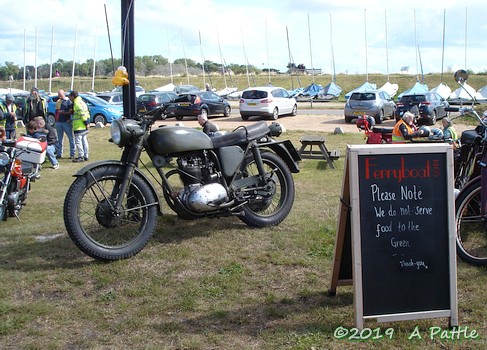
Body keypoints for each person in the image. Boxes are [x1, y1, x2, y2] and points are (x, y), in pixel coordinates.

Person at [69, 91, 90, 162]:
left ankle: (81, 156)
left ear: (72, 96)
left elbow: (82, 114)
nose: (69, 98)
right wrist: (87, 122)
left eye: (70, 96)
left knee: (78, 142)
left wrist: (85, 122)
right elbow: (87, 112)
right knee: (84, 141)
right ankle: (86, 155)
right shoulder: (82, 102)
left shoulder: (77, 103)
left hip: (79, 125)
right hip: (84, 126)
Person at [55, 89, 75, 159]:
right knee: (59, 139)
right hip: (59, 122)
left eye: (61, 95)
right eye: (59, 95)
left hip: (67, 122)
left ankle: (72, 153)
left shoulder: (69, 102)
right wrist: (56, 120)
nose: (60, 97)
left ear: (64, 94)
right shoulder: (58, 101)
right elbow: (56, 112)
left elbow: (71, 112)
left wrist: (64, 112)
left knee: (71, 138)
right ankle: (59, 153)